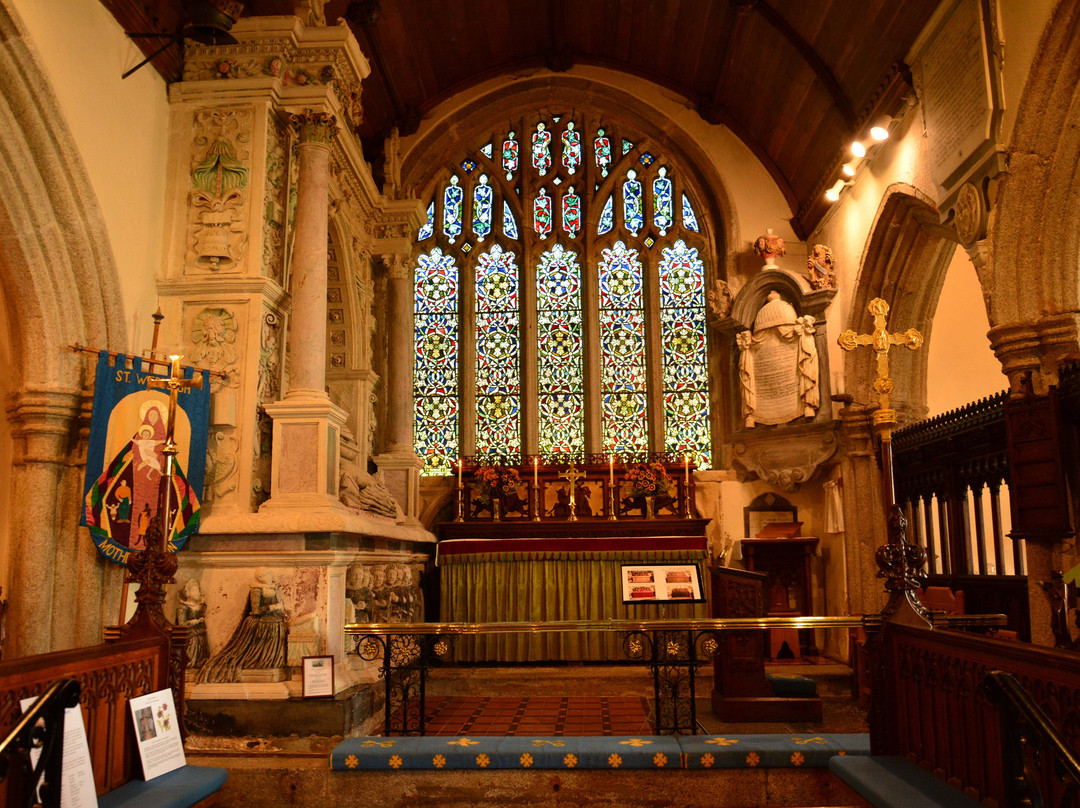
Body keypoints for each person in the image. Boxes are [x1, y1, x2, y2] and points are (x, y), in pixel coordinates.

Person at [197, 571, 286, 683]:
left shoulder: (272, 589)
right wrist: (273, 607)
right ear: (260, 577)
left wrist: (277, 608)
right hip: (258, 620)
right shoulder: (256, 590)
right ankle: (259, 661)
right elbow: (256, 610)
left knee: (279, 623)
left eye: (269, 574)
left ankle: (270, 661)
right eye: (266, 575)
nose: (270, 577)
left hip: (271, 619)